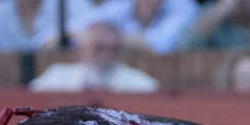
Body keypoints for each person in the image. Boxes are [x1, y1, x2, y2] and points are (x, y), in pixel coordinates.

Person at [28, 18, 162, 92]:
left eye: (114, 49)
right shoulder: (56, 77)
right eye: (99, 48)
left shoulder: (143, 86)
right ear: (82, 50)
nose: (107, 55)